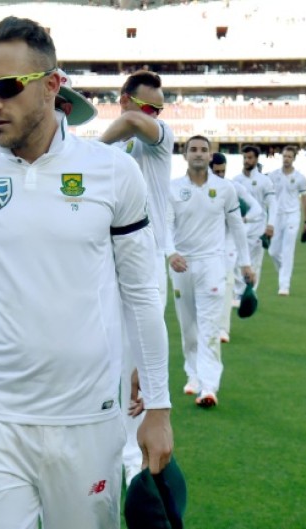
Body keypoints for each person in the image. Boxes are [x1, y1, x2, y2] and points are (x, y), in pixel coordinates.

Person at [0, 17, 172, 529]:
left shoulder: (114, 172)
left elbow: (143, 295)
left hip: (89, 419)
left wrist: (159, 407)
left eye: (7, 88)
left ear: (52, 86)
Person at [98, 68, 174, 486]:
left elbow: (129, 124)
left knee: (138, 368)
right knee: (111, 363)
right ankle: (112, 455)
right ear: (124, 97)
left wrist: (86, 149)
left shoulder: (160, 140)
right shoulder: (111, 155)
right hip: (106, 267)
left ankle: (133, 465)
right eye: (148, 107)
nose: (154, 116)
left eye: (159, 110)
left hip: (146, 268)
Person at [168, 137, 254, 408]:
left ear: (210, 156)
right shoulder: (172, 189)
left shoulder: (225, 189)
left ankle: (208, 386)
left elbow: (237, 226)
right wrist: (171, 253)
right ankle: (192, 375)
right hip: (182, 265)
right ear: (184, 155)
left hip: (213, 264)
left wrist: (245, 263)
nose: (198, 154)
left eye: (203, 150)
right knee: (189, 328)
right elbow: (165, 226)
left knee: (209, 328)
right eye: (193, 149)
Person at [210, 152, 262, 344]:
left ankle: (223, 329)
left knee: (227, 282)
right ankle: (208, 325)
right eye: (216, 172)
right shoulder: (199, 190)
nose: (220, 175)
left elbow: (257, 208)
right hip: (206, 243)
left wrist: (244, 219)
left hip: (229, 242)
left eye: (222, 171)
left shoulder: (234, 187)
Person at [268, 146, 306, 296]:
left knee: (287, 250)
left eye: (289, 157)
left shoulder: (300, 178)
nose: (286, 159)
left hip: (293, 215)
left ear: (294, 159)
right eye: (284, 156)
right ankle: (284, 273)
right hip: (277, 216)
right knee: (273, 251)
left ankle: (284, 285)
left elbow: (305, 201)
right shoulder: (273, 176)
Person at [232, 145, 275, 290]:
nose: (246, 160)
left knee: (255, 263)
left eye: (250, 158)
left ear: (256, 159)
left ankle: (250, 294)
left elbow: (272, 204)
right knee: (238, 260)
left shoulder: (265, 181)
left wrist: (271, 225)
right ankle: (238, 293)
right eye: (244, 157)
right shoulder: (236, 180)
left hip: (258, 227)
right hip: (241, 226)